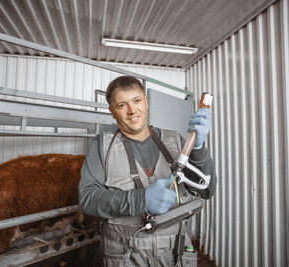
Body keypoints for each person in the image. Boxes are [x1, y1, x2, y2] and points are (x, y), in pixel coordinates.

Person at [78, 76, 216, 266]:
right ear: (112, 112)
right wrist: (141, 199)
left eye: (136, 101)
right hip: (124, 256)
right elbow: (87, 198)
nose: (132, 110)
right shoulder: (101, 146)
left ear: (146, 102)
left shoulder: (175, 140)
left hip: (174, 254)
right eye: (121, 105)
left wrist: (198, 147)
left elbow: (206, 191)